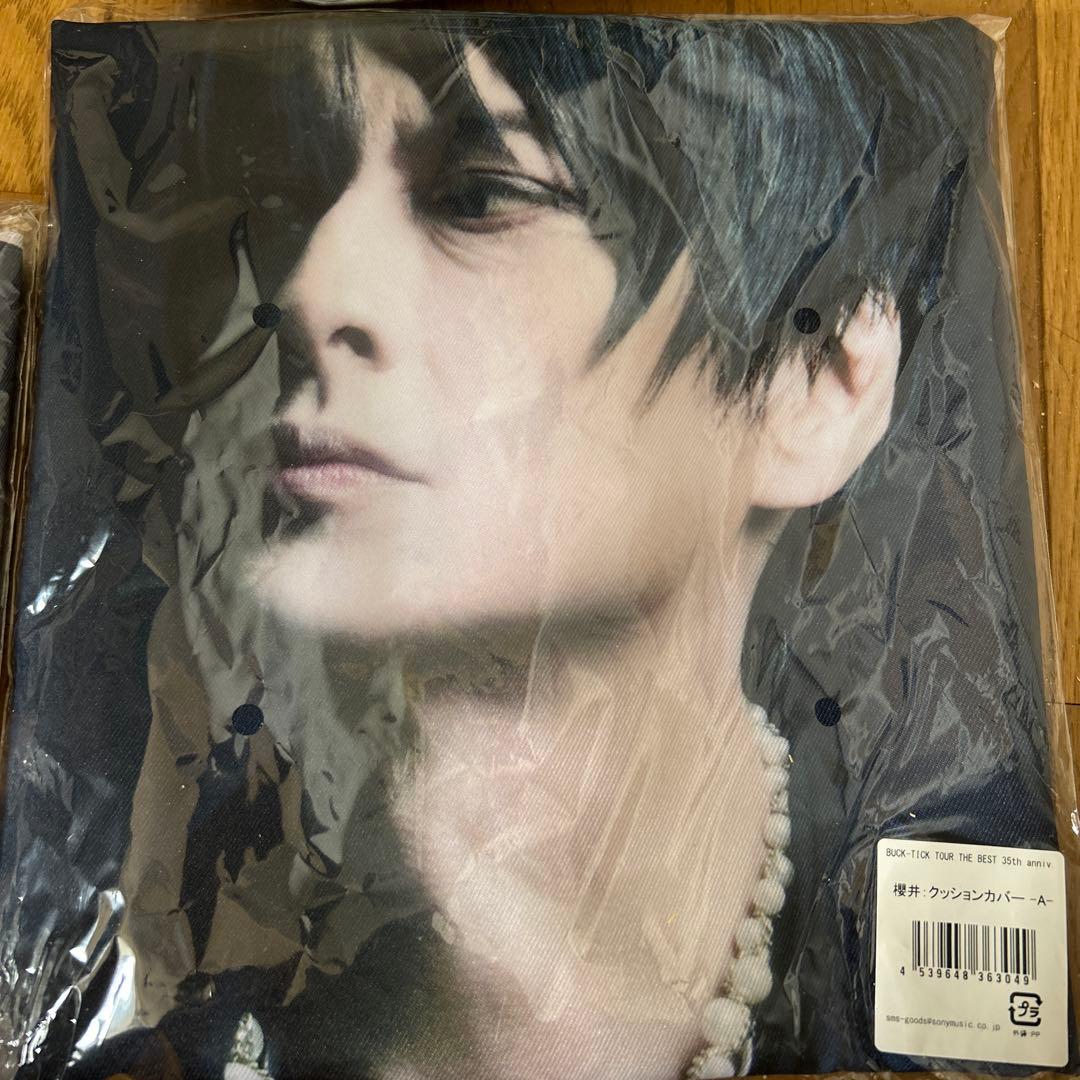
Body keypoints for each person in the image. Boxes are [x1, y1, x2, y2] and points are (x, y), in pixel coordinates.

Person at [12, 12, 1047, 1080]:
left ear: (817, 377)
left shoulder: (928, 954)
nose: (308, 293)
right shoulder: (115, 980)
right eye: (290, 201)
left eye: (477, 198)